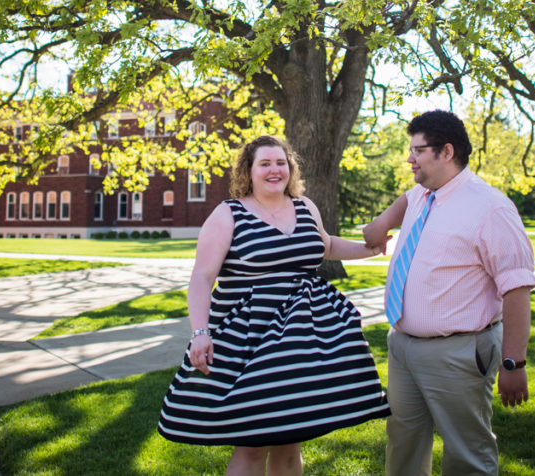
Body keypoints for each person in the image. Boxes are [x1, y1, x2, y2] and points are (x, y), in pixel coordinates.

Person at [158, 135, 390, 475]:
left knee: (289, 438)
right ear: (248, 171)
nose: (274, 170)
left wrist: (371, 248)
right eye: (264, 163)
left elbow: (326, 246)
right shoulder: (228, 214)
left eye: (280, 162)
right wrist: (201, 332)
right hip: (250, 341)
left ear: (290, 168)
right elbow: (201, 278)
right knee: (252, 442)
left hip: (301, 339)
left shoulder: (305, 206)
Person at [363, 110, 535, 475]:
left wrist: (514, 363)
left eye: (417, 150)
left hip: (458, 353)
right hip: (403, 347)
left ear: (446, 151)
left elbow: (517, 289)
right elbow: (403, 203)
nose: (409, 158)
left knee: (466, 451)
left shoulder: (490, 208)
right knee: (403, 443)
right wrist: (379, 225)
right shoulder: (423, 194)